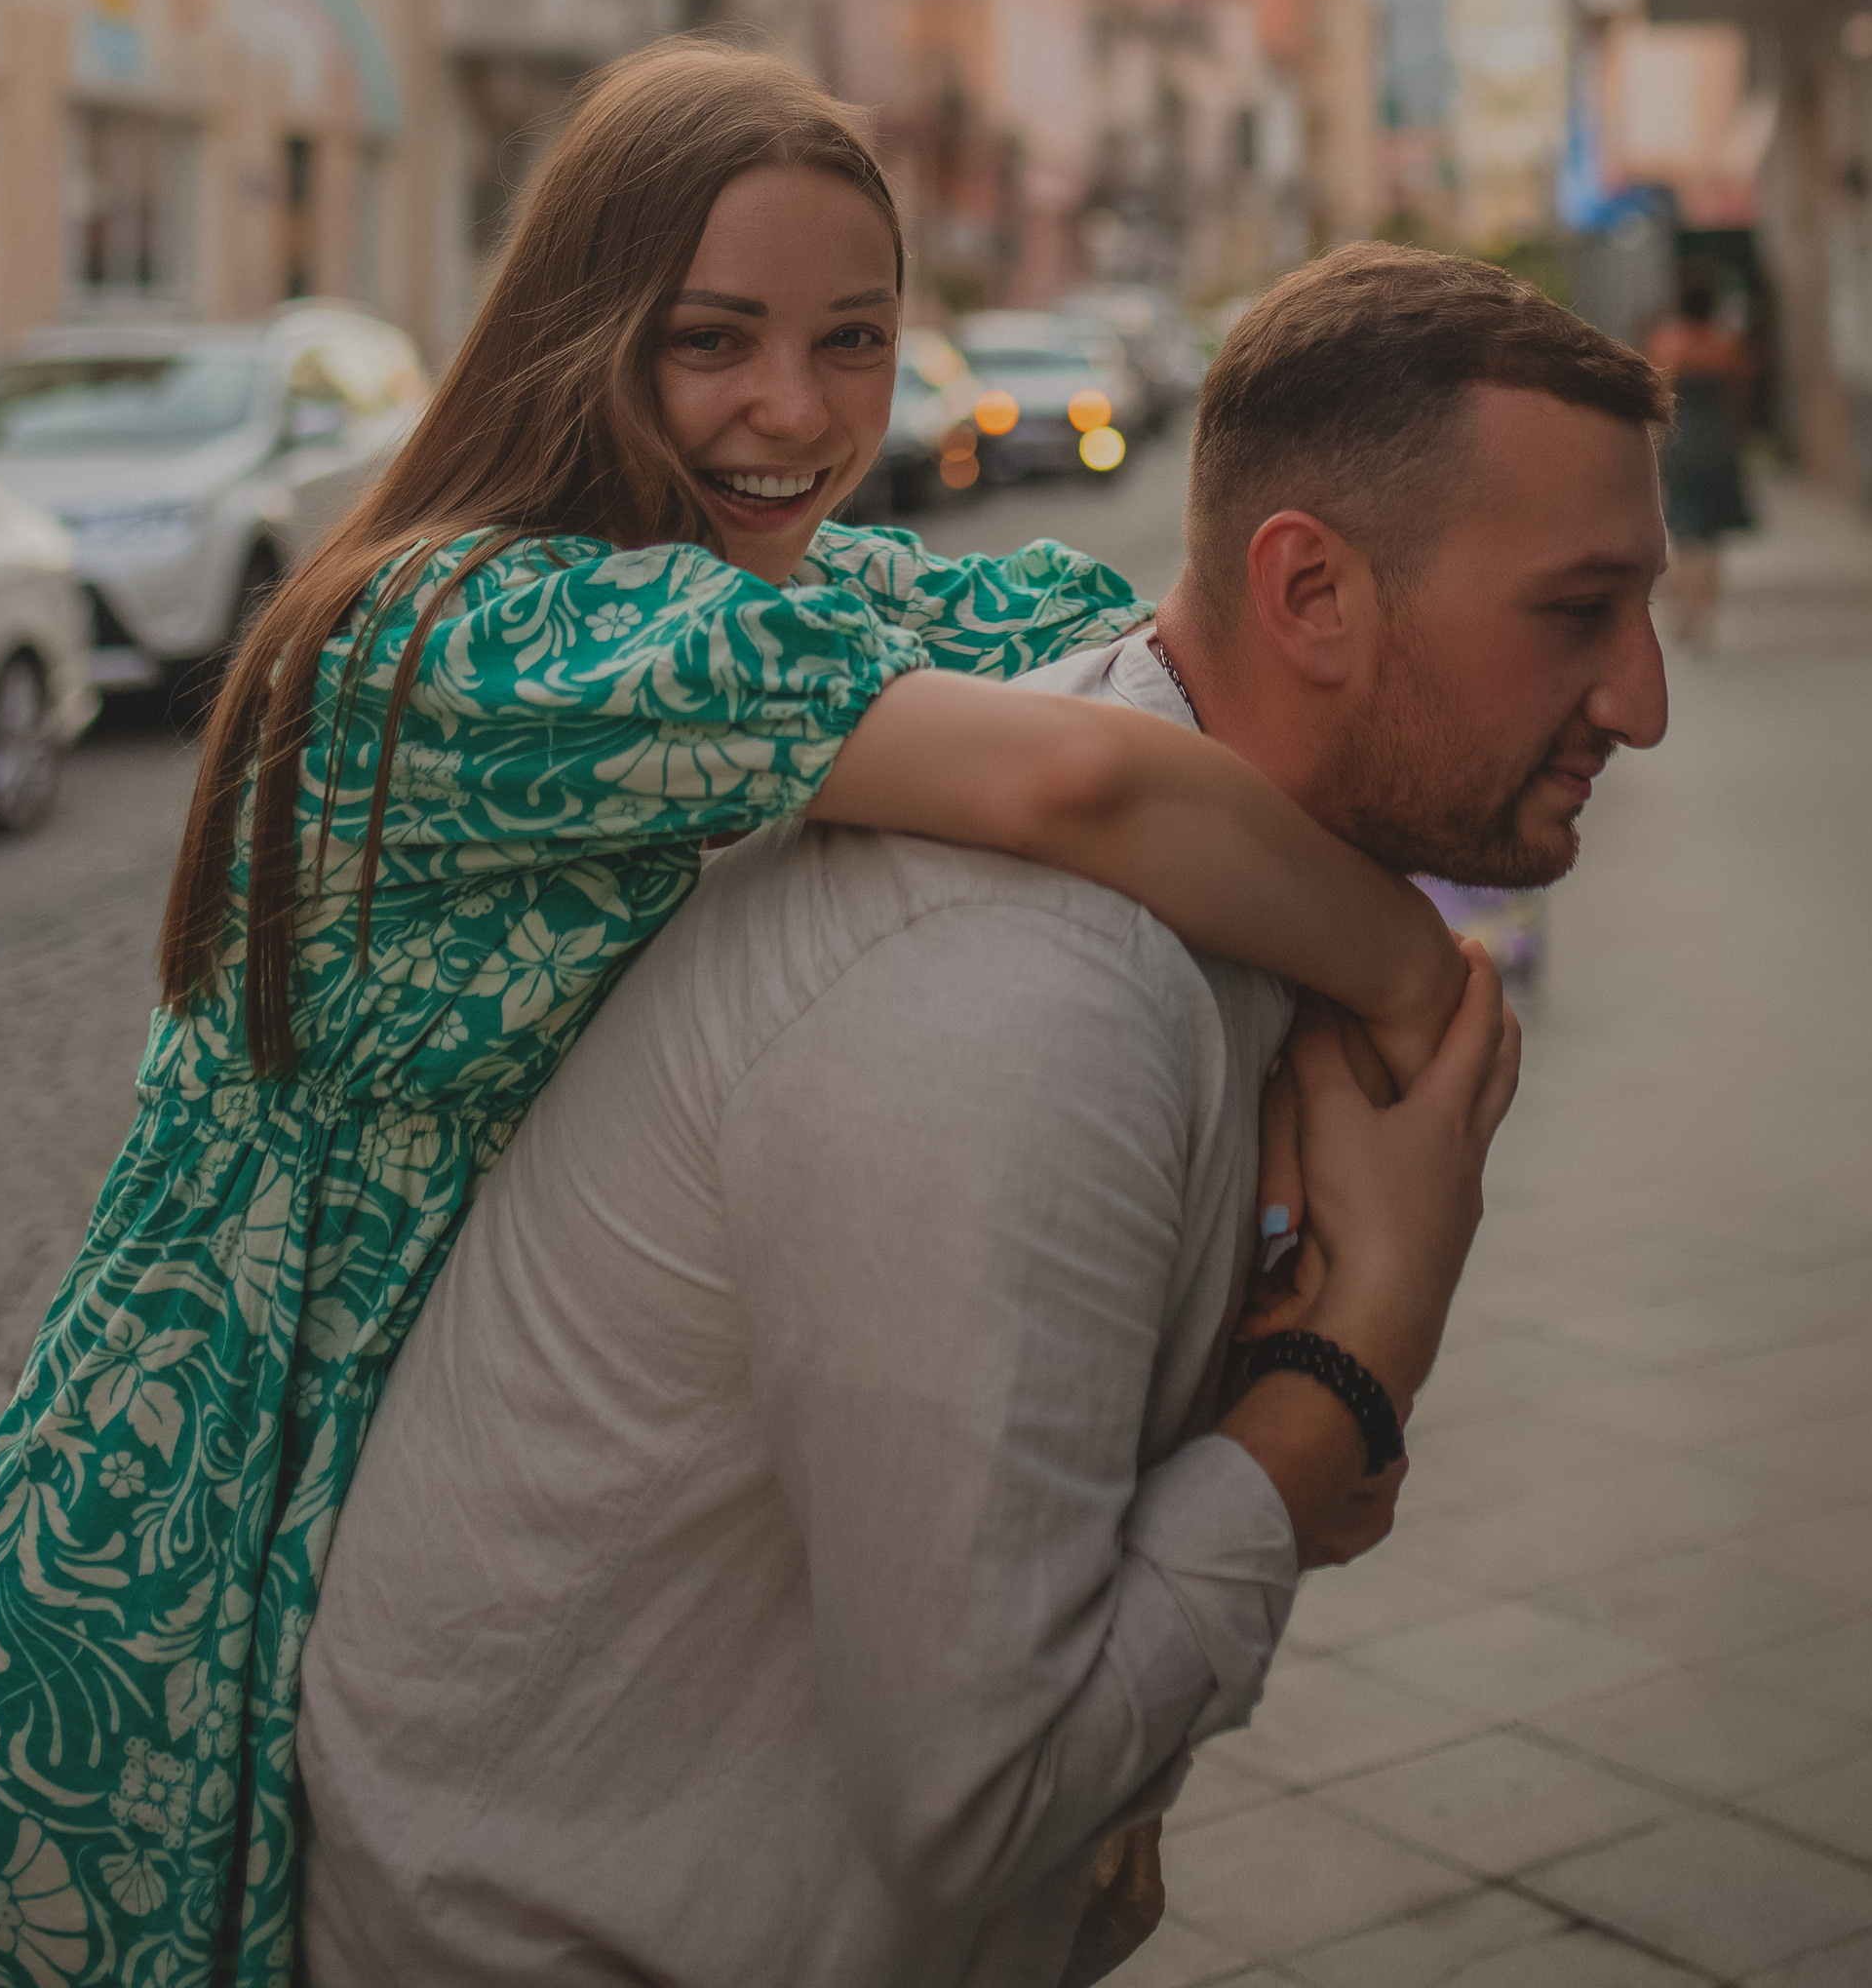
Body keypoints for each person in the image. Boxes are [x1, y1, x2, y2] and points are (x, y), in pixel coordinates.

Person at [0, 47, 1468, 1988]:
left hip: (400, 1468)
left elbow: (1120, 649)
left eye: (855, 339)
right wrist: (1425, 993)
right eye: (711, 338)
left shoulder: (809, 602)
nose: (794, 411)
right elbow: (1094, 785)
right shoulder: (464, 632)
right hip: (177, 1525)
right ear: (582, 328)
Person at [297, 243, 1672, 1986]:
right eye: (1574, 611)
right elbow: (983, 1793)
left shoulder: (1141, 823)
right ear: (1308, 595)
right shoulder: (1022, 997)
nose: (1642, 697)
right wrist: (1352, 1366)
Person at [1647, 274, 1753, 649]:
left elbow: (1661, 402)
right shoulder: (1727, 344)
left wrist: (1655, 457)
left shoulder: (1669, 343)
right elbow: (1739, 399)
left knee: (1681, 529)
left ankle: (1683, 615)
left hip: (1684, 444)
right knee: (1712, 535)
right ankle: (1706, 618)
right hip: (1719, 444)